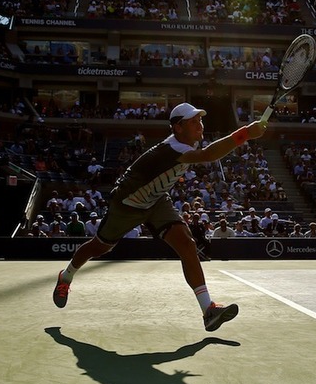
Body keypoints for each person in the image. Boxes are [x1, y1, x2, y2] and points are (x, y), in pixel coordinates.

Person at [52, 102, 266, 332]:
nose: (199, 125)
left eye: (200, 120)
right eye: (193, 122)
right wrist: (246, 133)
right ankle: (66, 277)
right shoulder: (172, 148)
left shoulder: (184, 146)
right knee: (99, 247)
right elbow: (209, 155)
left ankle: (208, 310)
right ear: (177, 128)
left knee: (187, 244)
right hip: (127, 203)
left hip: (156, 201)